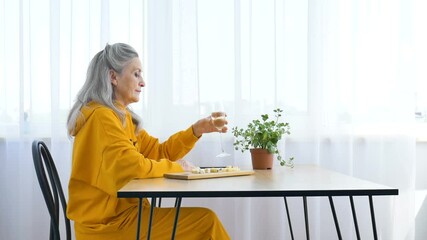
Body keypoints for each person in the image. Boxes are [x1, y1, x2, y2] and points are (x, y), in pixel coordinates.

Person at [66, 43, 231, 240]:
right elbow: (134, 167)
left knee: (204, 221)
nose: (142, 82)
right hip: (107, 225)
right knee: (206, 222)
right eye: (136, 74)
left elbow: (157, 152)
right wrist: (178, 168)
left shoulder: (121, 116)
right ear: (113, 77)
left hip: (126, 216)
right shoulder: (102, 118)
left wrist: (195, 131)